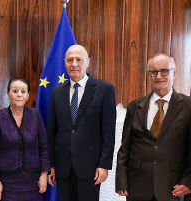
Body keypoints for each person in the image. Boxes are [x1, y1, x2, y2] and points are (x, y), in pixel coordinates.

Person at [115, 54, 191, 201]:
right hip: (137, 186)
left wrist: (189, 180)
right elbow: (125, 148)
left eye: (164, 71)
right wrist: (121, 180)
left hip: (172, 187)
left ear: (174, 73)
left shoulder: (189, 106)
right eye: (153, 72)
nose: (158, 76)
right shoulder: (135, 106)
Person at [47, 45, 116, 201]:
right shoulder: (56, 92)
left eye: (79, 59)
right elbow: (51, 132)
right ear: (65, 63)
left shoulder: (105, 89)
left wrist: (104, 165)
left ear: (88, 62)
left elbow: (108, 132)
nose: (74, 64)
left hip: (90, 166)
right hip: (62, 166)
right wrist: (50, 165)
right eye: (70, 60)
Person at [0, 77, 50, 201]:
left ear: (28, 95)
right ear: (8, 94)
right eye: (15, 91)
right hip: (5, 181)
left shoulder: (35, 115)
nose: (19, 95)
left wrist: (43, 174)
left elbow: (44, 147)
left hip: (33, 180)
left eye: (23, 91)